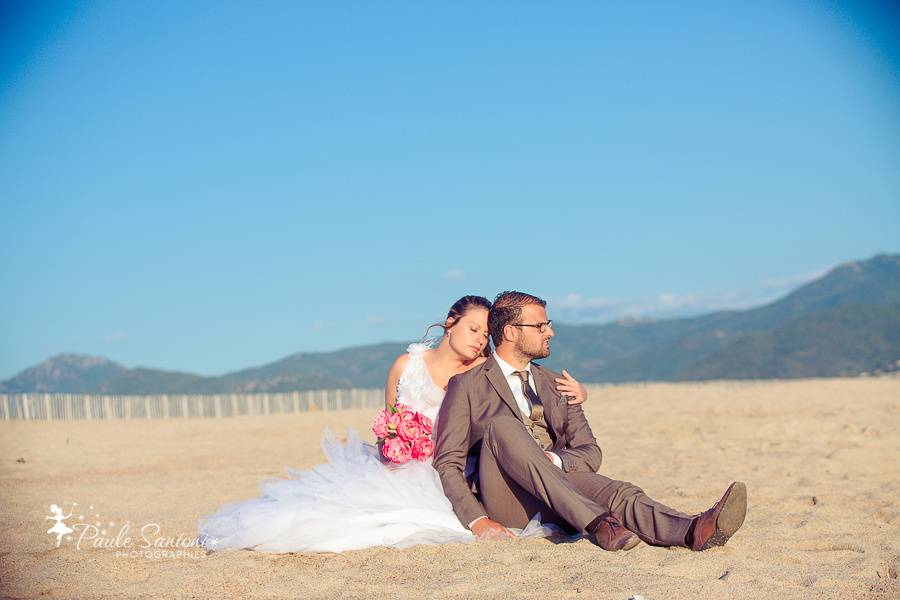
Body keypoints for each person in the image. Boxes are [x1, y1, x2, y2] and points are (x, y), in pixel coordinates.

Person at [197, 294, 591, 552]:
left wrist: (577, 395)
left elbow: (521, 382)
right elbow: (390, 419)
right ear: (450, 322)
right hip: (400, 465)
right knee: (332, 514)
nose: (477, 340)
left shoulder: (482, 373)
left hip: (452, 467)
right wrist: (396, 440)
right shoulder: (407, 366)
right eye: (472, 329)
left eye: (484, 335)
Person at [433, 290, 747, 552]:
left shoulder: (560, 385)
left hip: (559, 496)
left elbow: (590, 452)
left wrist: (554, 459)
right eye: (541, 326)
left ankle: (694, 530)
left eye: (549, 325)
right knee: (502, 426)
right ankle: (598, 524)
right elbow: (448, 462)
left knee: (617, 491)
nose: (550, 332)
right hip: (509, 499)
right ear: (512, 332)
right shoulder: (468, 385)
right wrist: (478, 520)